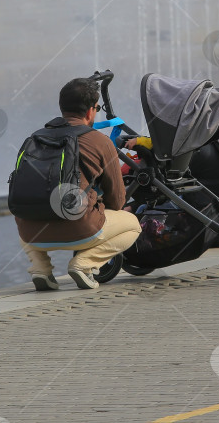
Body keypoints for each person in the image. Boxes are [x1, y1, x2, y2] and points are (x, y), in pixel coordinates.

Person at [16, 78, 142, 290]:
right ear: (90, 112)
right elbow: (118, 200)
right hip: (81, 230)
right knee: (133, 225)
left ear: (62, 107)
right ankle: (84, 264)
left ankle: (41, 269)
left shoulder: (34, 138)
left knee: (28, 214)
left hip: (31, 235)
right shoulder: (100, 141)